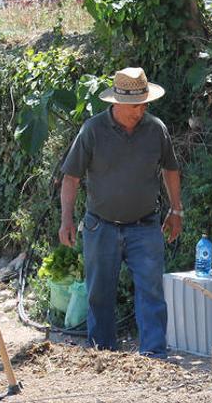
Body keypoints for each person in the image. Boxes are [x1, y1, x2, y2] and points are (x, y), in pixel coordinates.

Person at [58, 67, 183, 358]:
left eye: (144, 103)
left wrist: (176, 210)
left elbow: (171, 169)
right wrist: (66, 220)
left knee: (151, 293)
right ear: (117, 102)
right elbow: (71, 178)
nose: (141, 110)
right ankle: (103, 356)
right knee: (99, 295)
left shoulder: (156, 129)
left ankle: (154, 356)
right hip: (100, 226)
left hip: (145, 226)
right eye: (135, 105)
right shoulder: (92, 130)